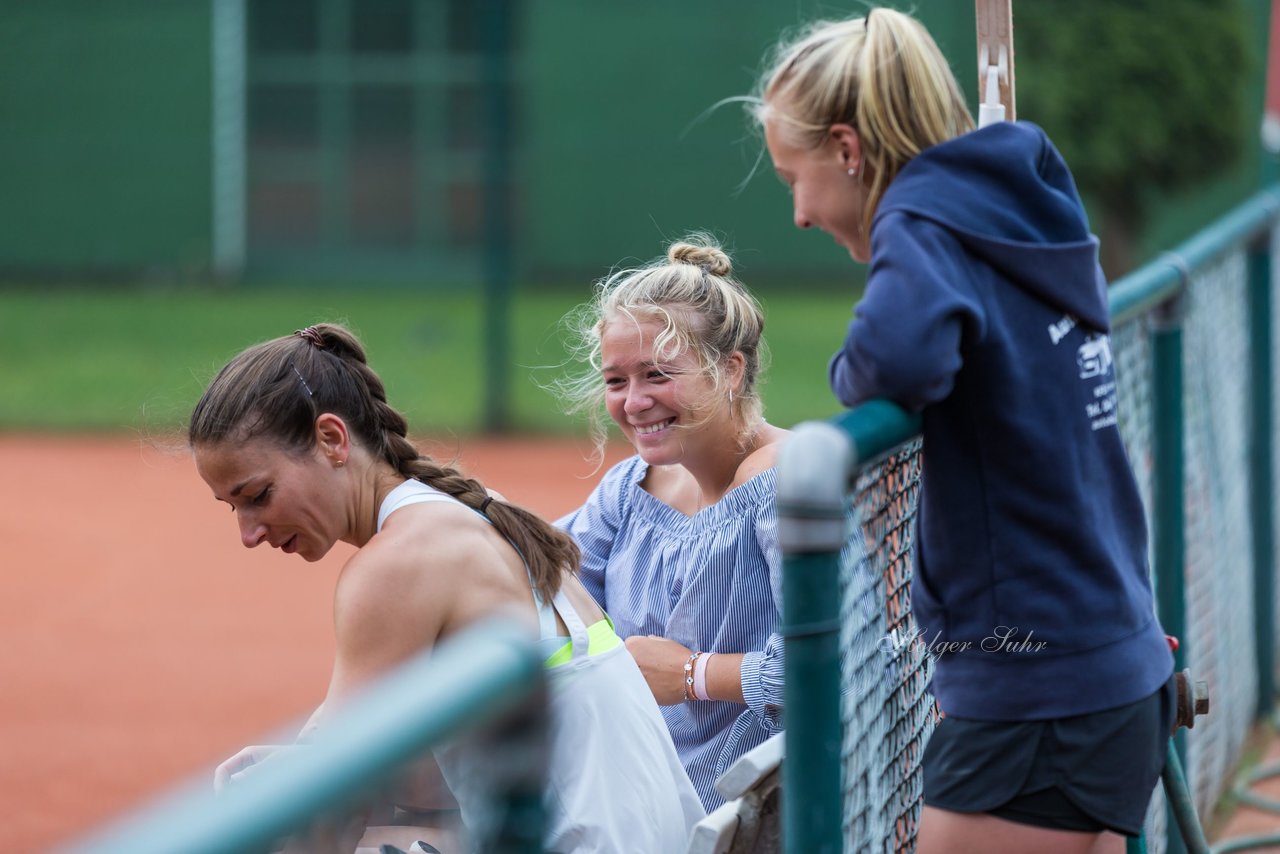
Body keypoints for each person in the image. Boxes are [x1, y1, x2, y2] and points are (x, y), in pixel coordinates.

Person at [750, 9, 1174, 853]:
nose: (798, 213)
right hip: (1106, 656)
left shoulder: (924, 219)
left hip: (1036, 687)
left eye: (792, 178)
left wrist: (847, 369)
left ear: (848, 149)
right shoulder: (1013, 205)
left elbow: (894, 360)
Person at [189, 323, 704, 853]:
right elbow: (452, 773)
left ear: (332, 439)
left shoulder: (397, 564)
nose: (249, 533)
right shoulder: (475, 510)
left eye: (258, 495)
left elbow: (333, 814)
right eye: (235, 507)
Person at [555, 237, 790, 811]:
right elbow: (560, 586)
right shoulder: (630, 486)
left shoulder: (789, 483)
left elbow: (834, 668)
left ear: (730, 370)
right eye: (616, 381)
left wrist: (693, 674)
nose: (634, 403)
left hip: (757, 801)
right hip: (637, 782)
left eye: (656, 375)